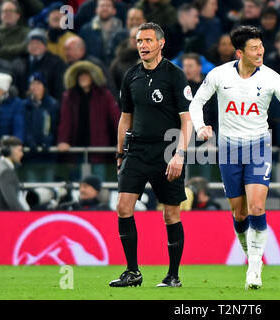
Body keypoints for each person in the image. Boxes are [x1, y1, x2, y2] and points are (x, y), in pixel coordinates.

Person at [189, 26, 280, 289]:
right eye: (254, 48)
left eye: (261, 46)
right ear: (240, 52)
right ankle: (251, 254)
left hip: (259, 146)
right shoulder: (219, 75)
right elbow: (196, 103)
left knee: (257, 208)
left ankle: (254, 265)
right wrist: (200, 126)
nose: (260, 51)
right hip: (228, 149)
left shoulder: (272, 77)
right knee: (239, 215)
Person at [109, 22, 193, 288]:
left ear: (161, 43)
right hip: (137, 151)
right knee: (123, 207)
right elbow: (125, 118)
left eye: (147, 40)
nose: (142, 45)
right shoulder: (130, 75)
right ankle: (132, 272)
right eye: (139, 41)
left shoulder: (175, 75)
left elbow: (186, 120)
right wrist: (120, 152)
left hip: (167, 151)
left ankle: (173, 276)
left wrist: (180, 154)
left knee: (170, 214)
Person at [57, 60, 120, 178]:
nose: (83, 78)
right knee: (77, 187)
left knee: (98, 185)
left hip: (98, 150)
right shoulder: (69, 97)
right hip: (76, 151)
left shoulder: (104, 95)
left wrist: (122, 141)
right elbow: (65, 122)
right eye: (80, 75)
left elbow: (116, 119)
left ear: (92, 77)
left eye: (86, 75)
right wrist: (63, 141)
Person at [13, 28, 67, 102]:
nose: (34, 46)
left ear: (45, 46)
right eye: (31, 43)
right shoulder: (18, 62)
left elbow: (59, 89)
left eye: (38, 43)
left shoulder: (56, 63)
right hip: (23, 105)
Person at [79, 0, 124, 65]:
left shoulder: (121, 30)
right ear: (96, 10)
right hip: (92, 66)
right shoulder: (86, 30)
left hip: (116, 68)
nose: (105, 8)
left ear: (114, 11)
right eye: (102, 6)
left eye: (108, 6)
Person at [0, 136, 25, 210]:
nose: (22, 154)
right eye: (19, 150)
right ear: (8, 151)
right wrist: (28, 218)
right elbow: (13, 204)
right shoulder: (6, 172)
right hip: (5, 219)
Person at [0, 72, 24, 146]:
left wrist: (16, 145)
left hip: (9, 148)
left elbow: (18, 127)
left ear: (3, 90)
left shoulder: (16, 103)